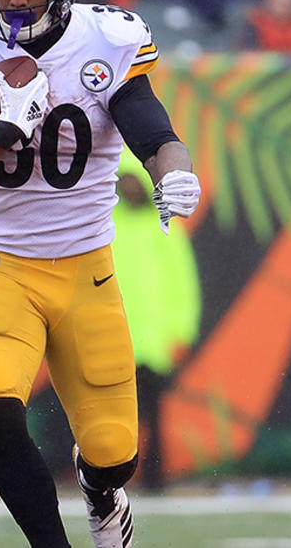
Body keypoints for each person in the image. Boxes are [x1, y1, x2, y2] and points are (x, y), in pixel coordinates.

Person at [0, 0, 202, 547]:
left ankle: (101, 490)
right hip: (0, 263)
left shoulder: (106, 39)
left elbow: (154, 132)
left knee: (113, 451)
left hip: (85, 268)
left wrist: (174, 173)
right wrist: (1, 133)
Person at [112, 154, 200, 492]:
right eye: (125, 182)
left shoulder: (164, 229)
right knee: (115, 412)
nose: (129, 188)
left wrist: (181, 332)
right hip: (114, 337)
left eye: (135, 182)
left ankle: (155, 478)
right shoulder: (107, 226)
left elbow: (183, 284)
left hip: (154, 340)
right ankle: (110, 476)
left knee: (154, 413)